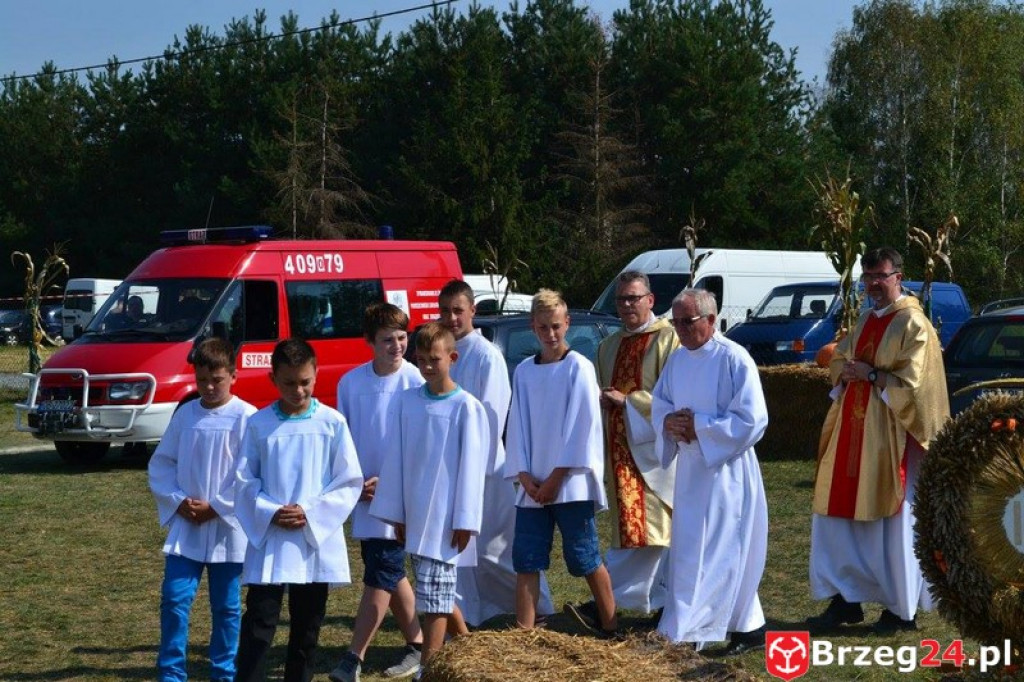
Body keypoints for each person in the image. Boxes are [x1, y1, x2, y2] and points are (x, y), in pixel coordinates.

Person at [807, 247, 949, 635]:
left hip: (893, 439)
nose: (873, 285)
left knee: (893, 523)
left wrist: (870, 375)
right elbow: (839, 359)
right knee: (838, 519)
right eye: (867, 278)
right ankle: (846, 599)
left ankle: (900, 609)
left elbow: (916, 388)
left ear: (898, 276)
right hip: (854, 432)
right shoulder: (867, 317)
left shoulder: (914, 324)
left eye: (880, 277)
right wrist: (849, 369)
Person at [233, 338, 363, 682]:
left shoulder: (332, 423)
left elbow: (348, 480)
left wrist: (309, 511)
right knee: (259, 623)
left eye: (305, 382)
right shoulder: (259, 424)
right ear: (273, 378)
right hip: (271, 536)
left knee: (307, 628)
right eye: (289, 383)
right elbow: (244, 480)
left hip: (311, 538)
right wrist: (270, 511)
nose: (298, 390)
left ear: (316, 374)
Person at [651, 288, 769, 654]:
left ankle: (709, 626)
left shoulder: (734, 358)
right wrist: (669, 422)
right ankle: (738, 624)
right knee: (689, 547)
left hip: (726, 471)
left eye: (688, 322)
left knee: (722, 548)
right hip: (690, 470)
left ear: (711, 320)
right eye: (676, 323)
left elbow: (753, 419)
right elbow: (660, 401)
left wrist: (699, 427)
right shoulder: (678, 360)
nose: (681, 330)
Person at [369, 322, 489, 675]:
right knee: (431, 586)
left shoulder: (467, 407)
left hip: (448, 516)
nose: (426, 366)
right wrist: (397, 512)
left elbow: (472, 466)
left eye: (434, 359)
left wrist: (465, 519)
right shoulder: (407, 401)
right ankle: (468, 647)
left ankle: (429, 666)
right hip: (415, 511)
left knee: (435, 595)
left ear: (452, 358)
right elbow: (396, 457)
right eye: (420, 359)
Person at [437, 279, 554, 628]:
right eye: (445, 311)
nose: (452, 317)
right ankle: (469, 610)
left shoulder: (486, 355)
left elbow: (491, 416)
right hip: (451, 467)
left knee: (495, 547)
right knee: (460, 547)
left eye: (458, 310)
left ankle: (539, 608)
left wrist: (469, 464)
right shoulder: (441, 352)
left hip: (484, 467)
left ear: (473, 310)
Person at [565, 271, 679, 628]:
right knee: (631, 528)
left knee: (657, 527)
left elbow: (672, 396)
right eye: (621, 299)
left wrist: (628, 401)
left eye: (634, 298)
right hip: (617, 447)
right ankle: (636, 599)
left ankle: (631, 599)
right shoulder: (607, 346)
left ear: (650, 299)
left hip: (656, 450)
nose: (627, 305)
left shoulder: (669, 339)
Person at [504, 289, 618, 636]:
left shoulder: (579, 368)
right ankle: (524, 632)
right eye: (542, 327)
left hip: (569, 484)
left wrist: (555, 479)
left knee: (585, 555)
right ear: (532, 327)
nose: (550, 334)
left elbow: (581, 428)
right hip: (532, 486)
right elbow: (517, 425)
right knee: (526, 558)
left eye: (556, 326)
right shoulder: (524, 371)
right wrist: (524, 476)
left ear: (567, 323)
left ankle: (612, 625)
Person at [147, 338, 257, 682]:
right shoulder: (186, 414)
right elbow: (162, 463)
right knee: (175, 600)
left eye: (217, 380)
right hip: (188, 525)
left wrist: (219, 507)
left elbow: (249, 473)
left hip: (228, 529)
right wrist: (179, 500)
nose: (209, 387)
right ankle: (171, 673)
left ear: (233, 376)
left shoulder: (246, 417)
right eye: (203, 380)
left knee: (226, 608)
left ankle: (223, 672)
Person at [329, 304, 425, 682]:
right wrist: (356, 482)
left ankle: (354, 657)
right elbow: (344, 440)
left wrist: (391, 482)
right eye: (387, 340)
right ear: (369, 341)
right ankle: (421, 644)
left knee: (381, 570)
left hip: (399, 496)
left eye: (402, 338)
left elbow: (419, 442)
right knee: (387, 569)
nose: (397, 346)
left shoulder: (416, 380)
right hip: (364, 497)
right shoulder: (351, 383)